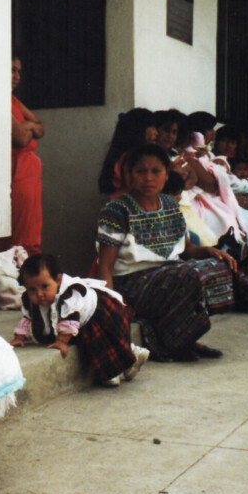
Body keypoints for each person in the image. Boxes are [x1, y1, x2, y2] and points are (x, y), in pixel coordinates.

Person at [96, 144, 237, 362]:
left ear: (166, 174)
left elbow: (187, 249)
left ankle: (185, 337)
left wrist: (210, 251)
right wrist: (112, 308)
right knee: (187, 275)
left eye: (156, 171)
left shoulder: (170, 205)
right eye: (141, 171)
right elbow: (105, 266)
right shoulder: (116, 210)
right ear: (130, 175)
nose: (148, 178)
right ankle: (174, 343)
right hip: (131, 285)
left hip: (170, 277)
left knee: (219, 267)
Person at [9, 254, 148, 387]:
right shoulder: (30, 300)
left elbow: (69, 319)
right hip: (79, 321)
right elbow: (28, 317)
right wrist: (20, 336)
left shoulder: (69, 295)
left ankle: (119, 366)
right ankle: (127, 360)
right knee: (92, 342)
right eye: (32, 289)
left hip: (95, 313)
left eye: (45, 287)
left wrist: (61, 341)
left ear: (58, 280)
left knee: (101, 341)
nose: (39, 294)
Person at [11, 53, 44, 254]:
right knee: (21, 230)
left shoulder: (13, 100)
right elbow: (22, 138)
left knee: (32, 226)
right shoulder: (0, 101)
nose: (17, 76)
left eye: (18, 71)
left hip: (30, 168)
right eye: (11, 70)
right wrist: (29, 128)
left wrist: (28, 126)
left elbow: (40, 127)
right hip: (18, 169)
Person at [98, 108, 158, 198]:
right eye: (152, 128)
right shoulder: (132, 158)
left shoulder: (124, 155)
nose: (156, 133)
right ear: (139, 129)